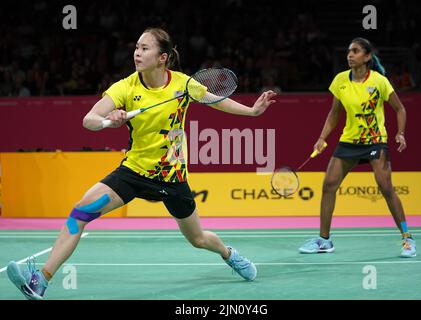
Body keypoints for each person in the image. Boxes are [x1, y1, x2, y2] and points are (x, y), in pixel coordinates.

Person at [6, 27, 277, 300]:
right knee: (80, 213)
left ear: (162, 57)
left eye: (145, 48)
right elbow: (88, 120)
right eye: (137, 47)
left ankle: (228, 254)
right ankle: (41, 279)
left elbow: (216, 101)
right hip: (133, 173)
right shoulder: (125, 86)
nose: (137, 52)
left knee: (198, 239)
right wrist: (107, 121)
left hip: (172, 178)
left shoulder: (183, 84)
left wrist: (252, 112)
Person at [298, 37, 416, 258]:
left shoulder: (379, 82)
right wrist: (322, 137)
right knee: (328, 185)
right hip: (349, 141)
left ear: (367, 56)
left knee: (386, 187)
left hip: (375, 140)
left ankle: (407, 239)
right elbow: (334, 113)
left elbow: (400, 109)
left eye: (355, 51)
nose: (350, 55)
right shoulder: (341, 80)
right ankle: (324, 240)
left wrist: (400, 133)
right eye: (349, 52)